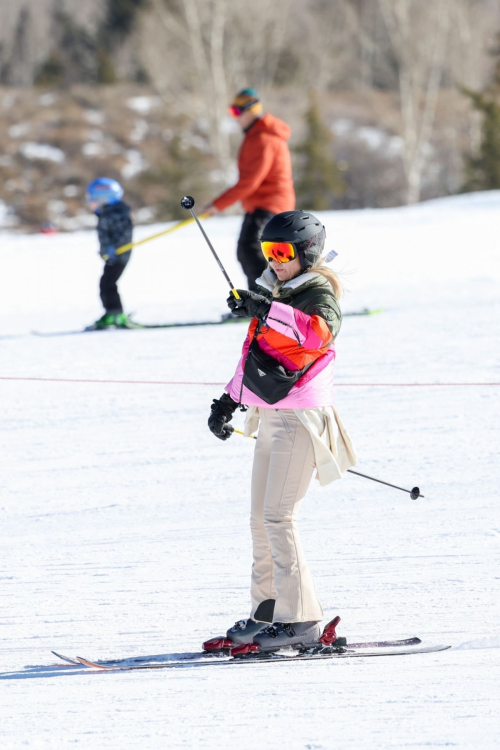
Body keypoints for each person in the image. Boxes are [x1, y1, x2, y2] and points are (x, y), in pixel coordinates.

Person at [205, 210, 357, 653]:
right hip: (271, 416)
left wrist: (265, 308)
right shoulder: (277, 288)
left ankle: (303, 619)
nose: (273, 261)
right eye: (268, 252)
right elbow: (256, 353)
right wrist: (229, 399)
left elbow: (318, 336)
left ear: (306, 254)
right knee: (260, 521)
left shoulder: (316, 293)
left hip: (301, 420)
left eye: (282, 253)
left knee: (278, 517)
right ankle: (268, 611)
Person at [205, 88, 295, 291]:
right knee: (249, 250)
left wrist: (216, 206)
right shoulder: (255, 136)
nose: (234, 118)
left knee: (251, 249)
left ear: (251, 111)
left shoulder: (264, 139)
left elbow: (250, 182)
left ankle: (266, 302)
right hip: (259, 204)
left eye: (236, 112)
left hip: (270, 204)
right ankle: (264, 301)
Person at [86, 177, 133, 329]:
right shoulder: (107, 213)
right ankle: (112, 312)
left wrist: (114, 248)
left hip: (119, 256)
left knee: (107, 283)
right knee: (106, 283)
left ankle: (116, 315)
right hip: (111, 256)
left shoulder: (116, 213)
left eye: (93, 199)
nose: (91, 203)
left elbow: (124, 234)